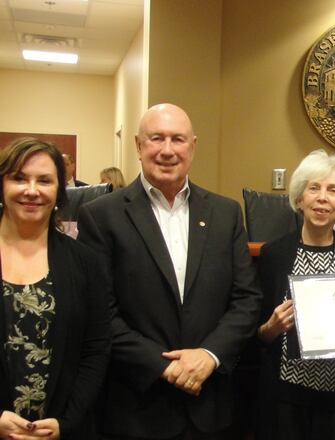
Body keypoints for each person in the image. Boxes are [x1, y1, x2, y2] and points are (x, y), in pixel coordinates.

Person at [77, 103, 262, 439]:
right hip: (137, 410)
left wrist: (209, 355)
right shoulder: (101, 216)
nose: (166, 150)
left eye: (177, 139)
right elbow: (100, 312)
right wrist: (165, 366)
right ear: (138, 145)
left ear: (192, 146)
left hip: (213, 409)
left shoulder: (226, 214)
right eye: (156, 139)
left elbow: (246, 300)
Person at [256, 149, 335, 440]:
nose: (322, 197)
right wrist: (271, 328)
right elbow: (256, 335)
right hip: (284, 400)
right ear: (299, 199)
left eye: (333, 190)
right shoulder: (273, 254)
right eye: (314, 188)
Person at [0, 138, 110, 439]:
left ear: (59, 191)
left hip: (62, 429)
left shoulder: (85, 263)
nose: (31, 190)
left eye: (44, 181)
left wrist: (66, 421)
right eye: (19, 178)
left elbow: (96, 349)